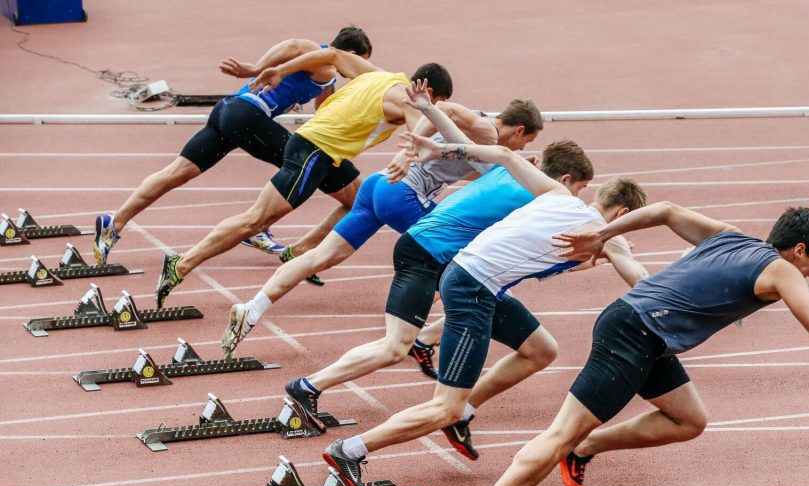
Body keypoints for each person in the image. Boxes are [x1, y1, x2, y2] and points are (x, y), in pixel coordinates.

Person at [443, 200, 809, 486]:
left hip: (640, 330)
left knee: (688, 419)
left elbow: (664, 210)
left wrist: (603, 233)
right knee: (557, 433)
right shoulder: (781, 270)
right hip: (634, 335)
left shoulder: (731, 237)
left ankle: (584, 448)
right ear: (800, 250)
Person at [319, 133, 649, 486]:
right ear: (623, 215)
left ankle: (466, 409)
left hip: (471, 275)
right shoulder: (609, 235)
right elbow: (640, 280)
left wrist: (440, 150)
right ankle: (351, 450)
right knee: (444, 406)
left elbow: (504, 154)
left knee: (541, 350)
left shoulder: (556, 195)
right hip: (474, 288)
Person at [219, 81, 544, 359]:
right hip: (403, 193)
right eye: (526, 141)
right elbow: (451, 111)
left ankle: (253, 308)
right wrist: (407, 151)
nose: (523, 147)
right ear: (518, 129)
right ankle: (417, 335)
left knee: (322, 257)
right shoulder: (487, 130)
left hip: (378, 187)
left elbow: (472, 166)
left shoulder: (488, 147)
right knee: (460, 264)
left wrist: (518, 166)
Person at [151, 48, 454, 308]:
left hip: (322, 151)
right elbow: (420, 132)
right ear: (428, 92)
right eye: (437, 103)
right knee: (254, 220)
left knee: (360, 200)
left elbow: (332, 55)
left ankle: (298, 253)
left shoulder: (379, 74)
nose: (435, 110)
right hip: (314, 152)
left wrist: (279, 70)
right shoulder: (409, 99)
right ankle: (183, 263)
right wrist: (413, 155)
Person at [93, 27, 372, 266]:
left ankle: (114, 222)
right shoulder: (322, 59)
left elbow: (323, 110)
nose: (359, 73)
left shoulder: (328, 78)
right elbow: (293, 45)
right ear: (352, 55)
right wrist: (255, 68)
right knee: (300, 165)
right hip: (247, 116)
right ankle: (257, 227)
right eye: (362, 64)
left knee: (178, 171)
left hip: (228, 111)